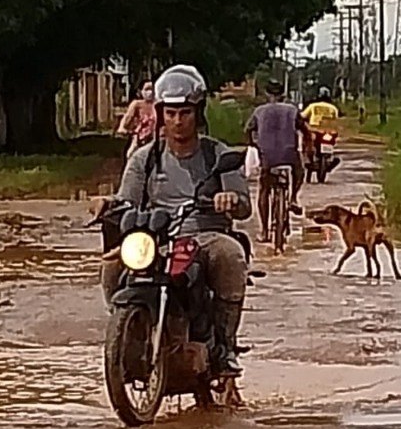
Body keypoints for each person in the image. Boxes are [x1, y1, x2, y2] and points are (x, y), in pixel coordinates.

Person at [100, 65, 251, 378]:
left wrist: (229, 201)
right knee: (112, 265)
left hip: (204, 234)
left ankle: (224, 346)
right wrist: (106, 205)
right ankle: (128, 332)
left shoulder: (217, 154)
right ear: (160, 114)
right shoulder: (144, 157)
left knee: (230, 255)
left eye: (184, 113)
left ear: (197, 113)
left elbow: (244, 206)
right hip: (156, 237)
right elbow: (126, 199)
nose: (177, 121)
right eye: (170, 113)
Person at [245, 79, 309, 242]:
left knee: (264, 190)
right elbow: (306, 131)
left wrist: (254, 145)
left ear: (267, 94)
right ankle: (294, 197)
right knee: (300, 171)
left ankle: (264, 231)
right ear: (283, 95)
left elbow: (248, 130)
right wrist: (308, 148)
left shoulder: (259, 111)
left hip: (267, 156)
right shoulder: (292, 110)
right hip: (289, 154)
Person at [301, 86, 341, 173]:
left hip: (315, 130)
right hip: (330, 131)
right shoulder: (333, 108)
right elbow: (336, 119)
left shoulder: (313, 106)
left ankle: (307, 159)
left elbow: (303, 116)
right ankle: (329, 157)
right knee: (332, 142)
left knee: (307, 141)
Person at [115, 80, 156, 153]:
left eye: (152, 89)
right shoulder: (136, 104)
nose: (150, 92)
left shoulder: (158, 105)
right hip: (140, 137)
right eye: (147, 89)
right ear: (141, 91)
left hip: (155, 137)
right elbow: (127, 117)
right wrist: (122, 128)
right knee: (131, 154)